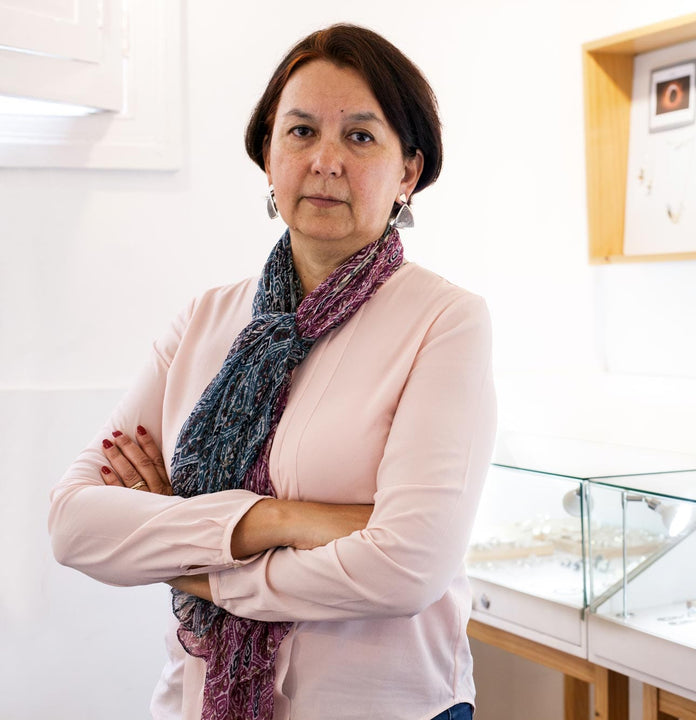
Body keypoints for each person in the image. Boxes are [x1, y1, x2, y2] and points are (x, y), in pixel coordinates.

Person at [49, 23, 495, 720]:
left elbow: (407, 567)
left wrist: (197, 562)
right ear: (266, 156)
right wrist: (274, 521)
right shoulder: (205, 319)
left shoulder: (444, 322)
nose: (324, 160)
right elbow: (74, 524)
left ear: (408, 171)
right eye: (300, 131)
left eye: (359, 136)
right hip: (195, 701)